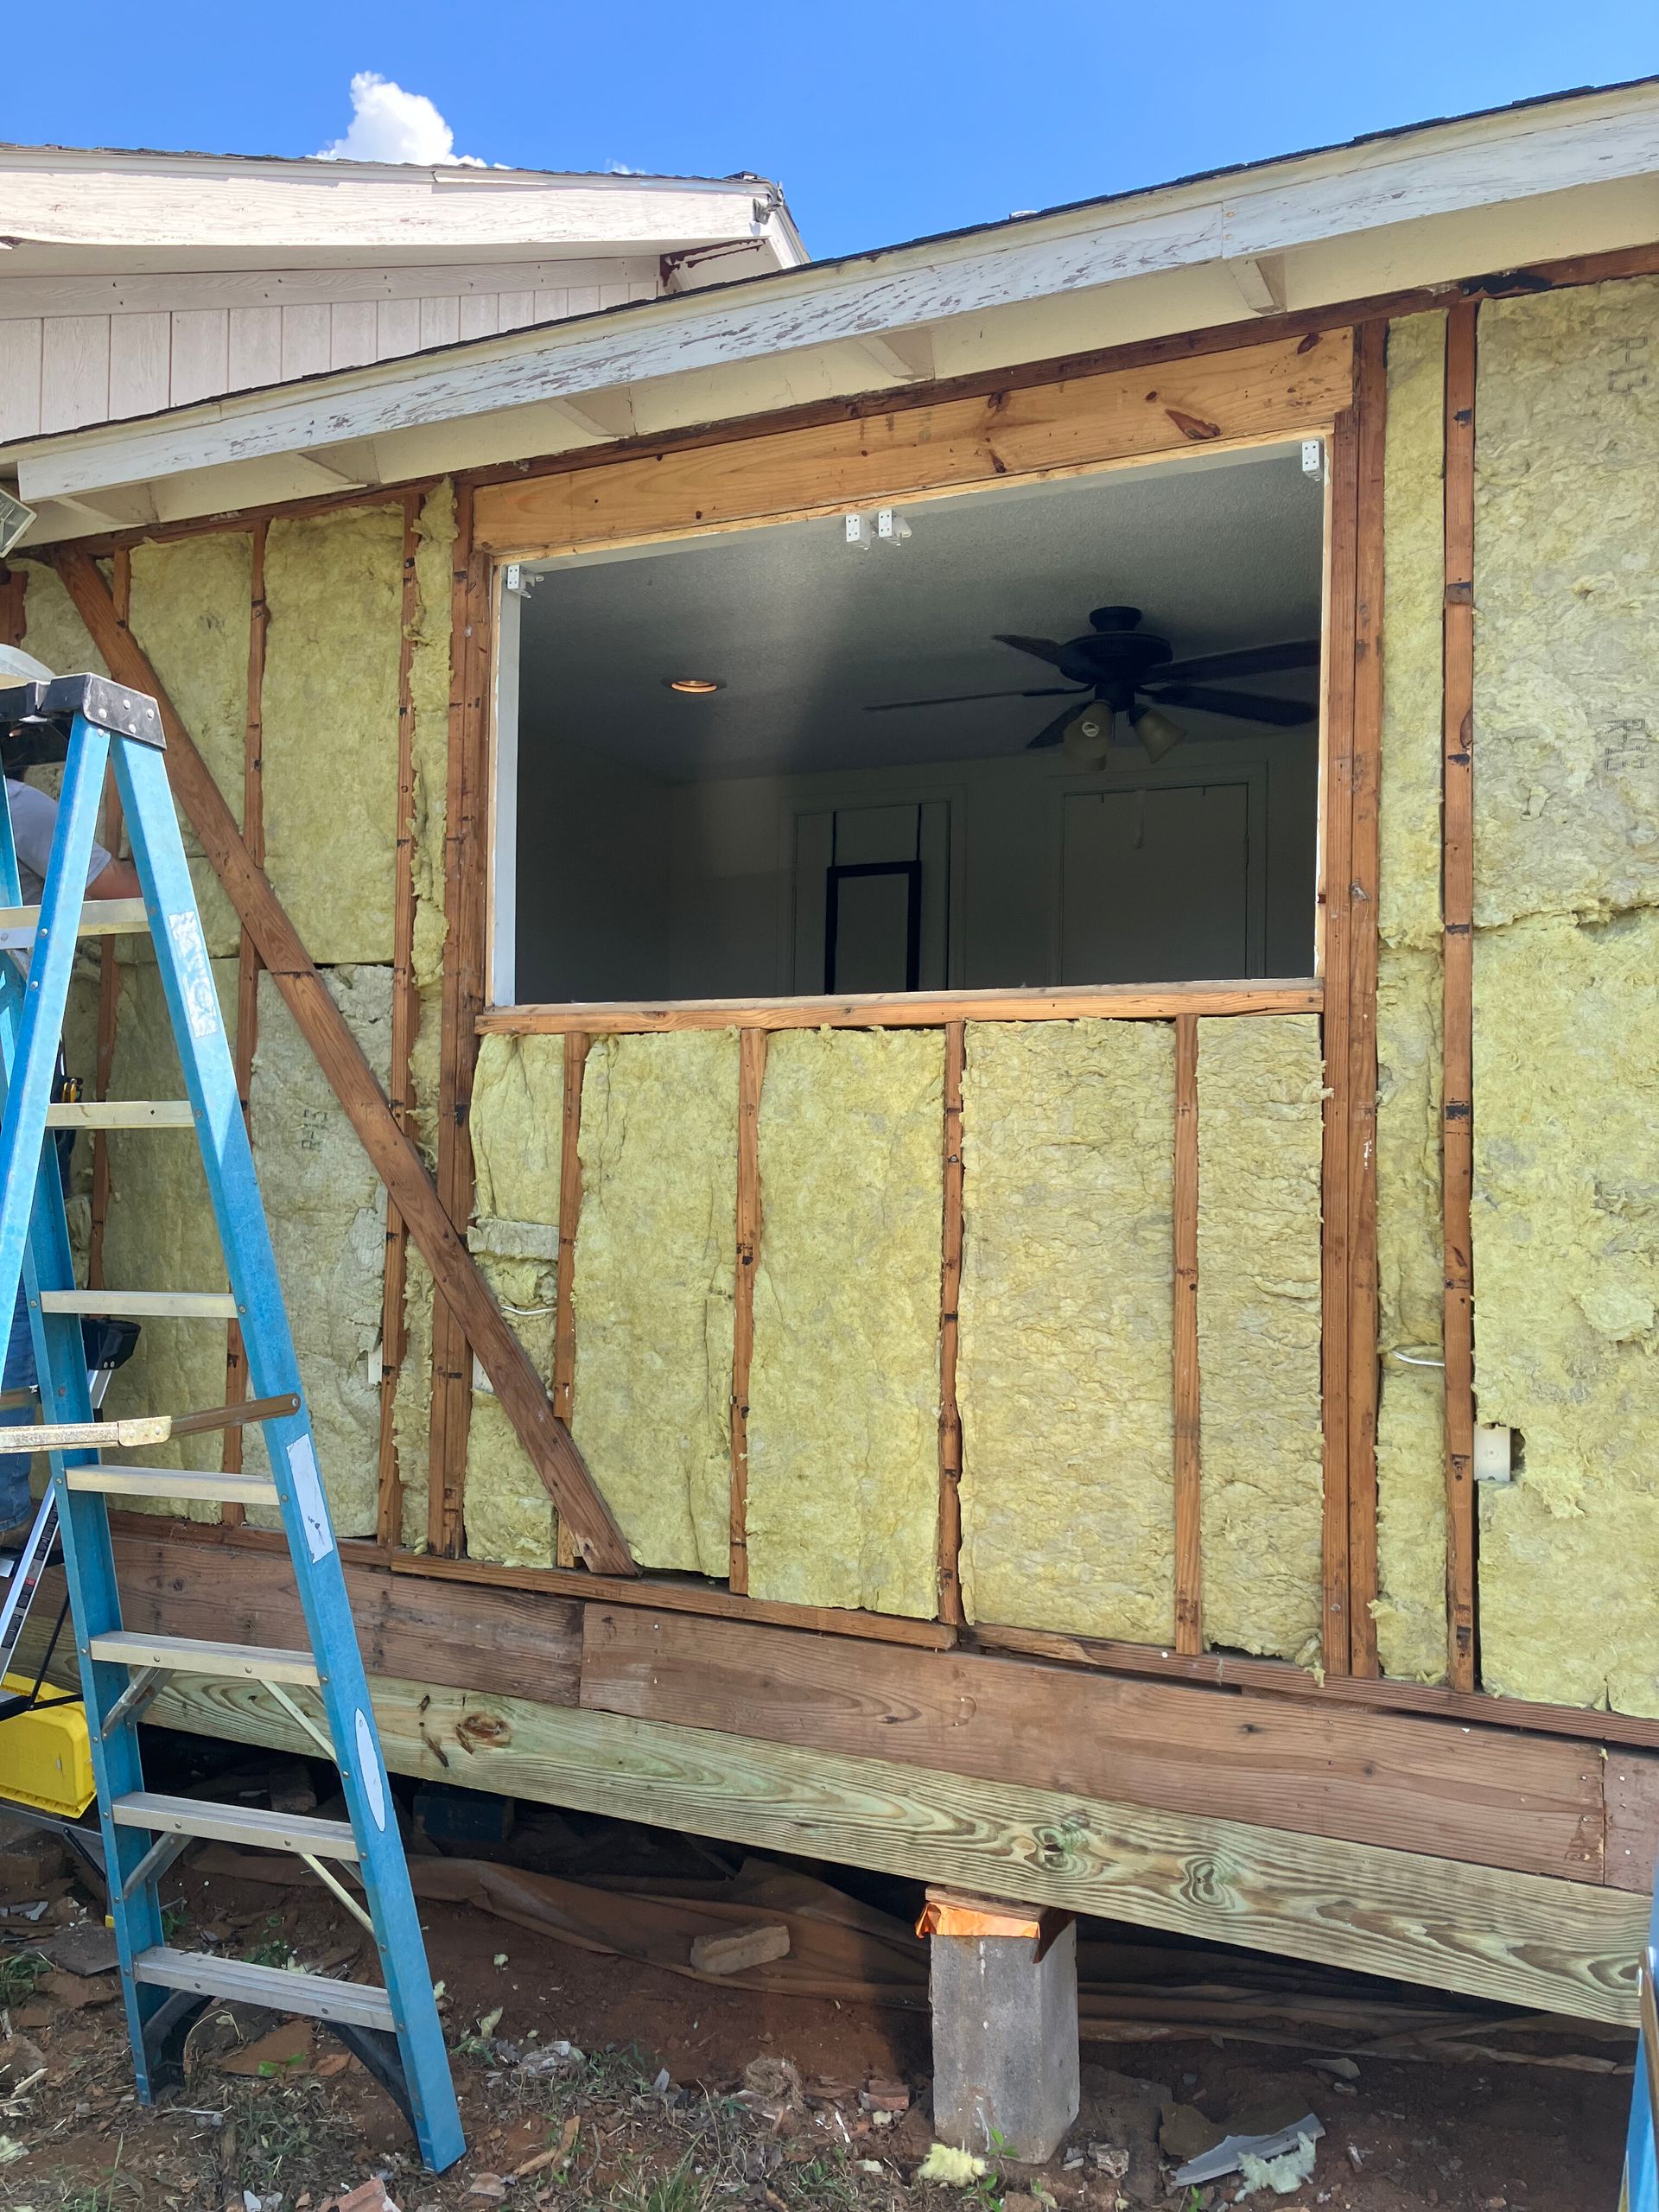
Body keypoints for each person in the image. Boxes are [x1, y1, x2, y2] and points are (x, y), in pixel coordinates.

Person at [0, 645, 143, 1538]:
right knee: (10, 1283)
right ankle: (4, 1504)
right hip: (11, 1071)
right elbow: (128, 892)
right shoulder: (18, 806)